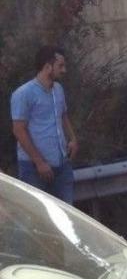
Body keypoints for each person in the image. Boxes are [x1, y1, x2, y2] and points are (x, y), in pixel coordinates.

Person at [10, 45, 77, 204]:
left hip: (61, 165)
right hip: (34, 169)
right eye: (60, 66)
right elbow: (19, 130)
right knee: (38, 220)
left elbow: (63, 115)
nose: (64, 70)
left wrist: (73, 139)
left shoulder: (58, 89)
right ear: (47, 67)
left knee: (65, 216)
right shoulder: (24, 94)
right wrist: (39, 162)